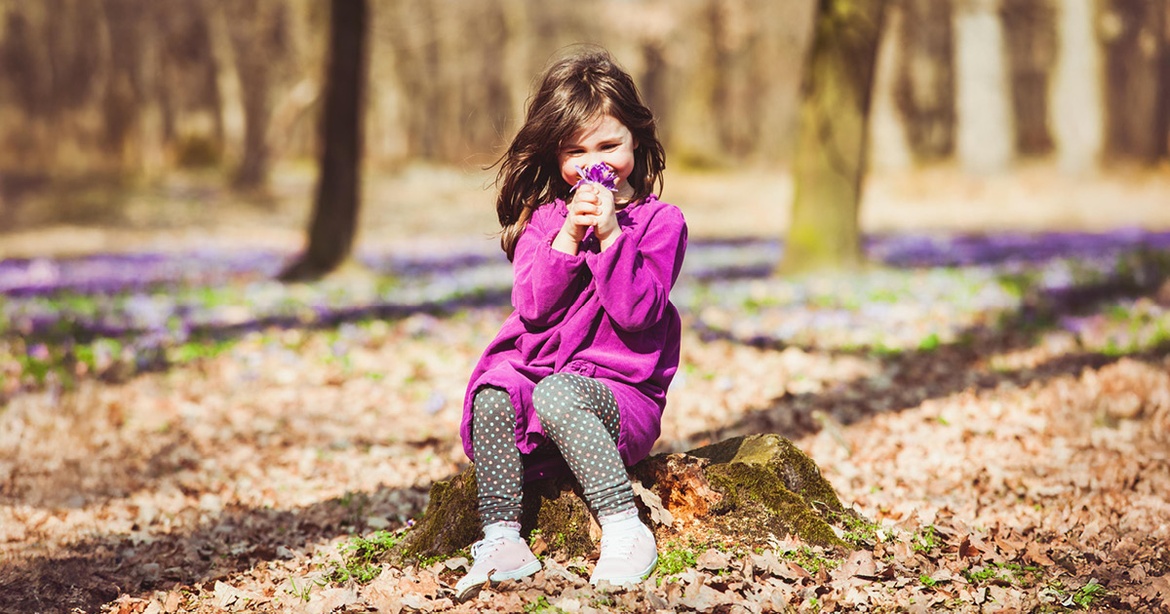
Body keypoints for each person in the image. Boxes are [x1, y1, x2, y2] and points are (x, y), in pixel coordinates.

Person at [454, 47, 687, 598]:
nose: (593, 162)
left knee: (560, 395)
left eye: (608, 146)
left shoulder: (660, 222)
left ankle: (625, 529)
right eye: (576, 152)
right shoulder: (546, 221)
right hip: (544, 374)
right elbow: (533, 309)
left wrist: (610, 236)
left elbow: (638, 311)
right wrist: (568, 238)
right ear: (557, 157)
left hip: (619, 392)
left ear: (636, 140)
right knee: (493, 391)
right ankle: (503, 537)